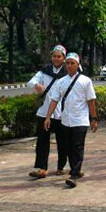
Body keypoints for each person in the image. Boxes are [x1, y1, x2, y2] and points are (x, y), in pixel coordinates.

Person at [44, 52, 98, 188]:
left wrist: (94, 118)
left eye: (72, 63)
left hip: (80, 120)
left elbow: (91, 101)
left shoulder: (86, 81)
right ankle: (76, 170)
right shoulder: (61, 82)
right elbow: (54, 100)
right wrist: (48, 117)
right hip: (65, 120)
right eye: (67, 63)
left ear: (77, 64)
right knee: (68, 147)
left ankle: (74, 174)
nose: (69, 66)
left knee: (78, 146)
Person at [27, 45, 68, 179]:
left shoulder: (69, 72)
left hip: (62, 114)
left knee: (63, 142)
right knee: (42, 142)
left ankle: (61, 167)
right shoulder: (44, 71)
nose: (56, 59)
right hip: (44, 113)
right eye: (54, 56)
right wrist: (36, 85)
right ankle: (41, 168)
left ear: (64, 58)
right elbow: (31, 81)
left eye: (59, 56)